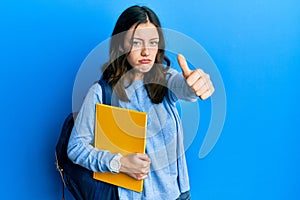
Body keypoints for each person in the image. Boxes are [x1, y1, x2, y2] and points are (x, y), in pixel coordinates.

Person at [67, 5, 214, 200]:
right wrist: (119, 163)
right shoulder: (101, 93)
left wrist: (195, 85)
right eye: (136, 43)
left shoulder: (165, 79)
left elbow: (185, 89)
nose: (146, 51)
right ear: (121, 46)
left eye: (153, 43)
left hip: (177, 196)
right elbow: (75, 148)